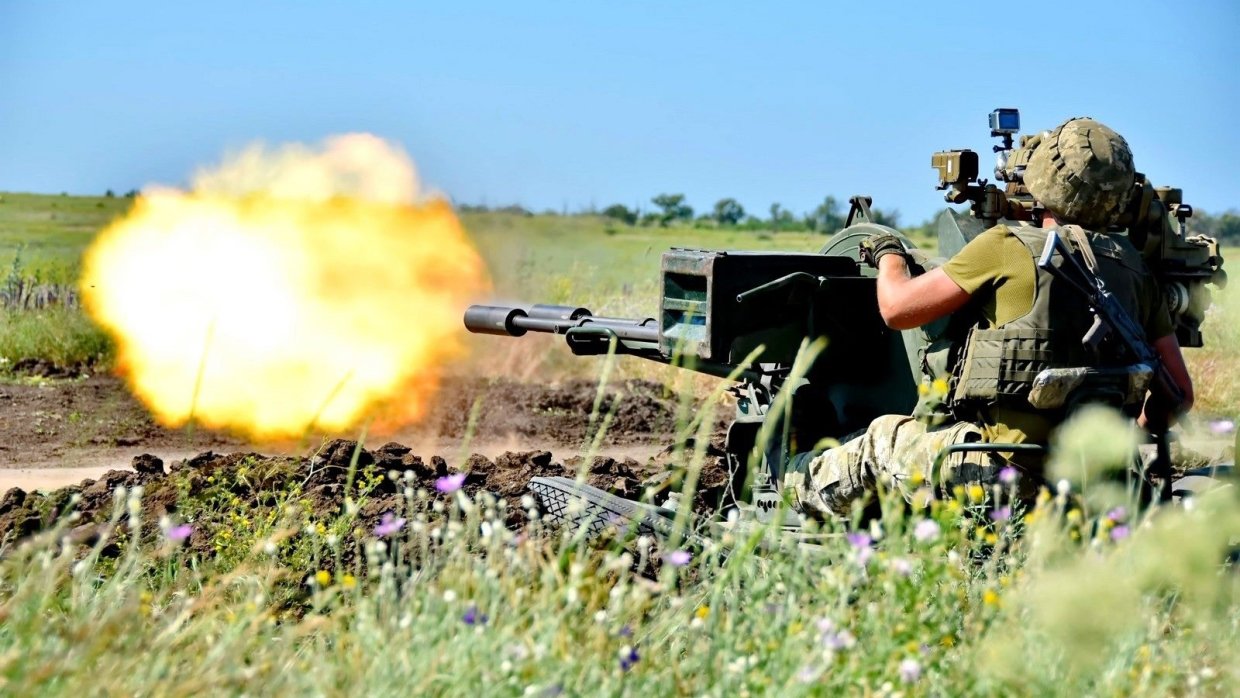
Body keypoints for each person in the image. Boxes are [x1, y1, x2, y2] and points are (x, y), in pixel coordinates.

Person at [783, 117, 1194, 519]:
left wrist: (888, 252)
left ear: (1045, 179)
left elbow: (898, 309)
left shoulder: (1004, 246)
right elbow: (1178, 396)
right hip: (1090, 480)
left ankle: (786, 489)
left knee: (880, 441)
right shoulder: (1137, 272)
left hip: (998, 476)